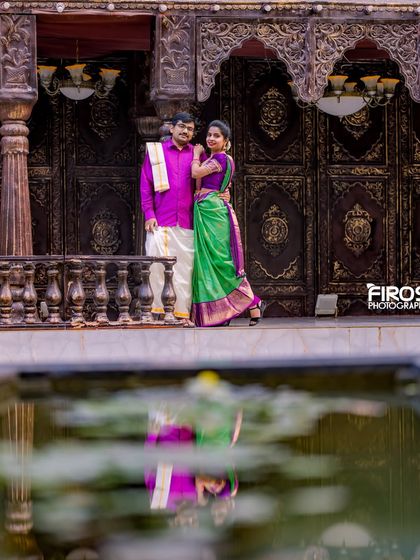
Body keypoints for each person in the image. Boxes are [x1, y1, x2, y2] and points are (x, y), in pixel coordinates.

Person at [191, 120, 264, 327]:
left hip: (212, 212)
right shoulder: (217, 158)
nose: (211, 138)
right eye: (209, 134)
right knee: (211, 262)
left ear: (225, 141)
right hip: (209, 210)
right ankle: (229, 310)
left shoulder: (221, 159)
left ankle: (252, 301)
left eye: (216, 136)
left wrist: (196, 156)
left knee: (221, 262)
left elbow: (195, 173)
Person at [140, 112, 196, 327]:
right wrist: (149, 214)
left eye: (190, 129)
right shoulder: (157, 152)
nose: (185, 131)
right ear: (171, 128)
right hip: (160, 221)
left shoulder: (196, 155)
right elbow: (146, 185)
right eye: (181, 126)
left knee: (184, 271)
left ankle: (181, 316)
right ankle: (157, 315)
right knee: (155, 267)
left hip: (187, 223)